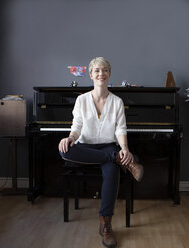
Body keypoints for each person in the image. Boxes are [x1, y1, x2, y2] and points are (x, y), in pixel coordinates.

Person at [58, 57, 143, 248]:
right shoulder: (81, 100)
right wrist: (70, 138)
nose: (101, 74)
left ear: (109, 74)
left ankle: (106, 224)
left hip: (107, 146)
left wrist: (124, 149)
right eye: (97, 70)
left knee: (112, 170)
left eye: (105, 70)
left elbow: (120, 129)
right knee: (64, 150)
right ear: (91, 74)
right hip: (85, 147)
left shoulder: (117, 102)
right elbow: (77, 126)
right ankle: (120, 160)